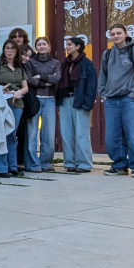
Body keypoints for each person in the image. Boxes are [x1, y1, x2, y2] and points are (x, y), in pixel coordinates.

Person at [98, 23, 134, 177]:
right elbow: (103, 76)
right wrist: (103, 94)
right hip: (111, 101)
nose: (116, 36)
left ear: (125, 34)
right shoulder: (107, 54)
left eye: (119, 33)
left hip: (131, 99)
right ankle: (119, 165)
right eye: (113, 34)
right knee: (112, 137)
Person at [0, 39, 28, 178]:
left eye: (12, 49)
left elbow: (25, 87)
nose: (9, 51)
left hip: (17, 105)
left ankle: (11, 166)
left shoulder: (20, 68)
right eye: (7, 48)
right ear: (4, 50)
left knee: (12, 136)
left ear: (16, 52)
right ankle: (0, 168)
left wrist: (19, 92)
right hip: (2, 104)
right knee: (0, 134)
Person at [56, 37, 96, 173]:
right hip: (65, 100)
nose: (67, 47)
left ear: (78, 46)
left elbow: (91, 85)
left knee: (81, 133)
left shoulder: (87, 64)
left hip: (80, 100)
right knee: (66, 133)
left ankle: (84, 164)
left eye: (70, 44)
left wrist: (88, 102)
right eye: (66, 44)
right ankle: (69, 162)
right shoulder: (65, 64)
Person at [23, 37, 61, 172]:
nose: (42, 46)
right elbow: (29, 80)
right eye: (39, 44)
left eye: (44, 44)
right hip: (35, 100)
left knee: (49, 135)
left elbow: (57, 78)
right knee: (32, 133)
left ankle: (45, 163)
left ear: (49, 46)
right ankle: (33, 164)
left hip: (50, 100)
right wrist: (46, 82)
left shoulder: (55, 63)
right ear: (36, 47)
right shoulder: (30, 62)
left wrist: (40, 77)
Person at [15, 43, 34, 170]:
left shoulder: (27, 67)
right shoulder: (11, 66)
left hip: (24, 104)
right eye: (24, 55)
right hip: (11, 101)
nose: (26, 58)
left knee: (21, 133)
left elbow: (30, 81)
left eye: (29, 56)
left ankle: (20, 161)